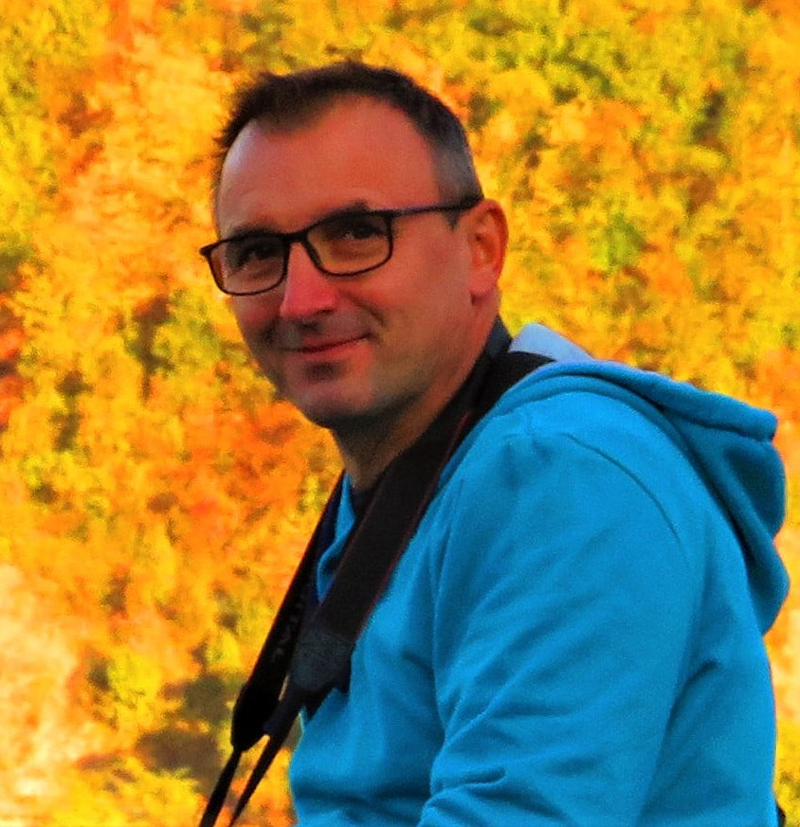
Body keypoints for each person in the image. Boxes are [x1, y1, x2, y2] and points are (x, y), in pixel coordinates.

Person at [200, 61, 789, 825]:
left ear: (481, 248)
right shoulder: (421, 474)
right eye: (257, 252)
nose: (300, 299)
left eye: (355, 234)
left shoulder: (564, 477)